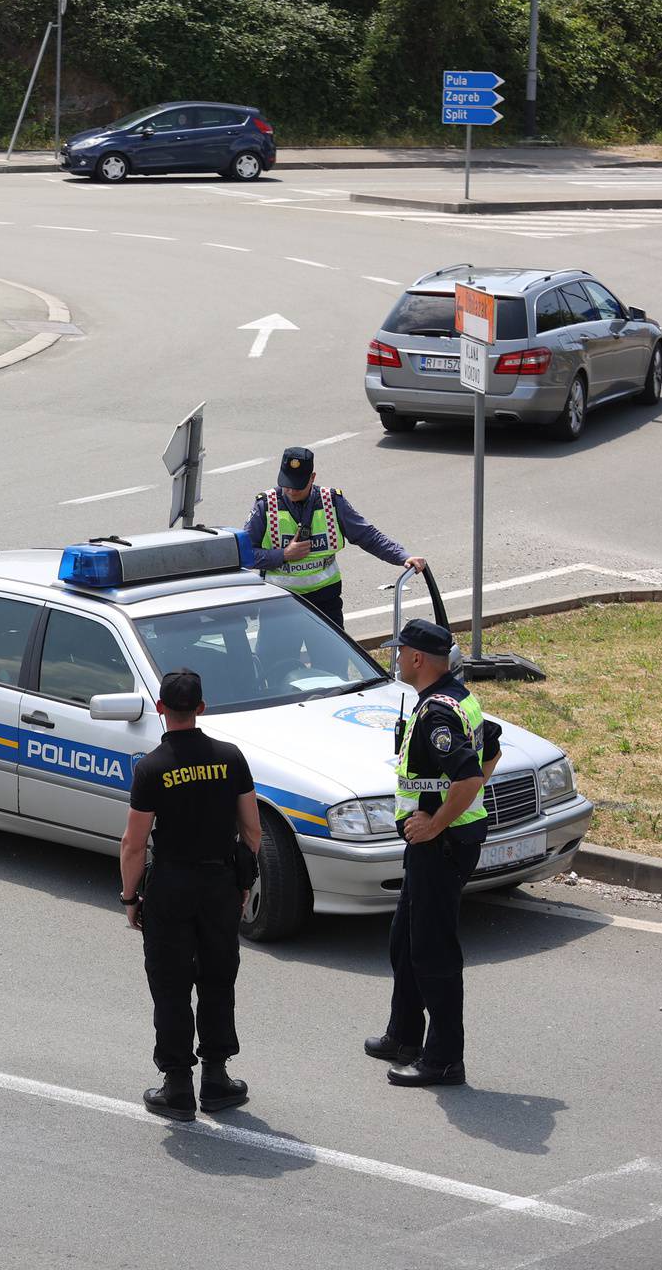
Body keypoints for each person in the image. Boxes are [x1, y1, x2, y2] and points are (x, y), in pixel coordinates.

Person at [119, 669, 262, 1122]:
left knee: (171, 985)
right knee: (218, 978)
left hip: (171, 887)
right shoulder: (231, 758)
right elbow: (252, 829)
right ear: (202, 707)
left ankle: (177, 1084)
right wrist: (241, 881)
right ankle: (217, 1079)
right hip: (219, 884)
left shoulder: (151, 767)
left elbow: (134, 844)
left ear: (161, 709)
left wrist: (130, 898)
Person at [366, 619, 501, 1088]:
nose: (397, 658)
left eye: (399, 652)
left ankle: (444, 1059)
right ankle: (404, 1036)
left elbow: (467, 776)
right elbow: (493, 747)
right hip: (434, 843)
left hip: (441, 845)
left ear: (418, 659)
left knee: (433, 952)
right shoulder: (455, 697)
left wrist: (436, 821)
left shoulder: (437, 714)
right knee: (404, 940)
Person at [241, 447, 426, 628]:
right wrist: (283, 554)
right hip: (280, 602)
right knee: (275, 659)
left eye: (297, 485)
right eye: (286, 484)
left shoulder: (332, 501)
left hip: (325, 602)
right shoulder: (265, 505)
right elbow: (245, 556)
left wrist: (403, 556)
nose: (290, 491)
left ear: (312, 478)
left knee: (329, 659)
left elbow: (367, 535)